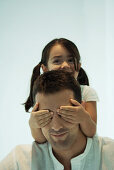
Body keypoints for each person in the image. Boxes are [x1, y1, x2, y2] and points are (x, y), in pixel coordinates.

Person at [0, 70, 114, 170]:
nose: (56, 126)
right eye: (46, 115)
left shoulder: (110, 155)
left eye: (64, 113)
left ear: (82, 109)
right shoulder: (19, 161)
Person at [25, 38, 99, 143]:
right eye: (57, 61)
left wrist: (83, 118)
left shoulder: (86, 92)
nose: (65, 65)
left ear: (79, 66)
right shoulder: (42, 95)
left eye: (70, 60)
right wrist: (33, 125)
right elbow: (40, 139)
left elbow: (91, 133)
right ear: (44, 68)